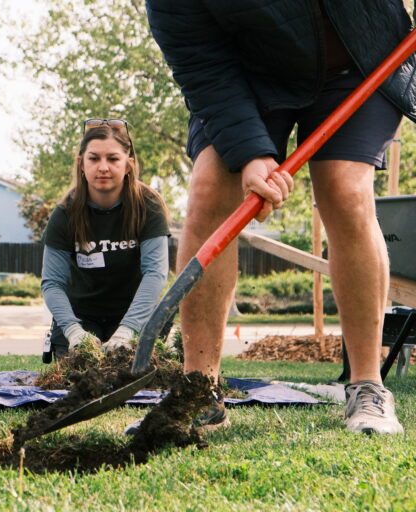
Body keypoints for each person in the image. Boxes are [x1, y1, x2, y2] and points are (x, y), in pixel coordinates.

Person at [143, 0, 415, 434]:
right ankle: (199, 388)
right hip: (250, 81)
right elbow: (203, 67)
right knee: (212, 188)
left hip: (359, 63)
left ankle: (367, 385)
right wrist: (251, 154)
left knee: (345, 190)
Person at [40, 118, 171, 361]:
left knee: (131, 370)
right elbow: (52, 282)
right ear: (81, 163)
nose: (103, 167)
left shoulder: (149, 206)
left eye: (113, 159)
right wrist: (73, 331)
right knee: (80, 373)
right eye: (94, 158)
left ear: (128, 164)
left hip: (134, 313)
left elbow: (156, 273)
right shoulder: (65, 212)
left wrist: (128, 330)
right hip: (82, 315)